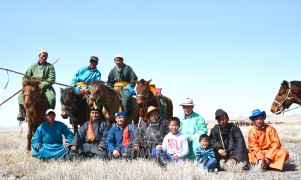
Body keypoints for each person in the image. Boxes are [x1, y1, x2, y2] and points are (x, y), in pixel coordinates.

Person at [17, 49, 56, 121]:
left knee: (51, 98)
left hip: (45, 86)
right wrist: (29, 84)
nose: (45, 57)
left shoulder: (50, 66)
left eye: (46, 56)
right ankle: (21, 113)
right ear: (39, 56)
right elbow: (25, 77)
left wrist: (43, 84)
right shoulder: (32, 67)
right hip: (33, 87)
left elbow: (52, 79)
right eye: (43, 56)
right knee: (20, 95)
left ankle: (49, 114)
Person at [107, 54, 138, 118]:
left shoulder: (128, 68)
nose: (118, 62)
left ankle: (127, 113)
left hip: (125, 87)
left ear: (122, 61)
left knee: (126, 97)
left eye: (119, 60)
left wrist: (129, 86)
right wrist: (111, 89)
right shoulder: (112, 70)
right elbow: (109, 82)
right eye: (116, 60)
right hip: (115, 88)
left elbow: (134, 78)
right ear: (114, 61)